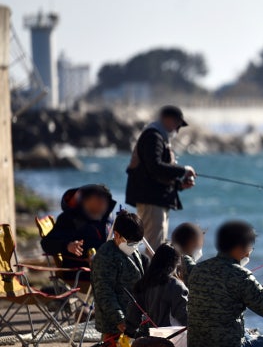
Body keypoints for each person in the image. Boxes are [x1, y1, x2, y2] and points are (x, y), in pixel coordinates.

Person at [125, 105, 196, 248]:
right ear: (168, 120)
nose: (177, 129)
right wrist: (183, 171)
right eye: (178, 124)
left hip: (154, 200)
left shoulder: (158, 137)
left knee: (154, 245)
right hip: (151, 200)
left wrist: (179, 186)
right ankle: (151, 271)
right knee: (154, 247)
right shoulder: (153, 136)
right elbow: (155, 166)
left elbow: (155, 174)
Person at [90, 211, 147, 347]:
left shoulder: (131, 250)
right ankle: (110, 344)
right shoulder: (105, 256)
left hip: (134, 317)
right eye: (132, 243)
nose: (135, 247)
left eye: (138, 243)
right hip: (115, 322)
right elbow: (104, 293)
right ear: (116, 235)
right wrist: (120, 320)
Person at [40, 184, 116, 282]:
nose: (104, 202)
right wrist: (67, 246)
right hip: (82, 273)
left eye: (106, 199)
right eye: (99, 199)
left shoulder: (108, 220)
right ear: (86, 200)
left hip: (108, 268)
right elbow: (46, 243)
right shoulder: (70, 219)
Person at [125, 243, 188, 337]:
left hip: (147, 339)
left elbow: (132, 316)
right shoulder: (176, 286)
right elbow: (184, 317)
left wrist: (129, 332)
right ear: (175, 263)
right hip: (172, 339)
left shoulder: (143, 283)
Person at [171, 222, 204, 286]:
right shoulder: (186, 262)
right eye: (201, 242)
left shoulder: (172, 259)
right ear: (192, 243)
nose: (201, 247)